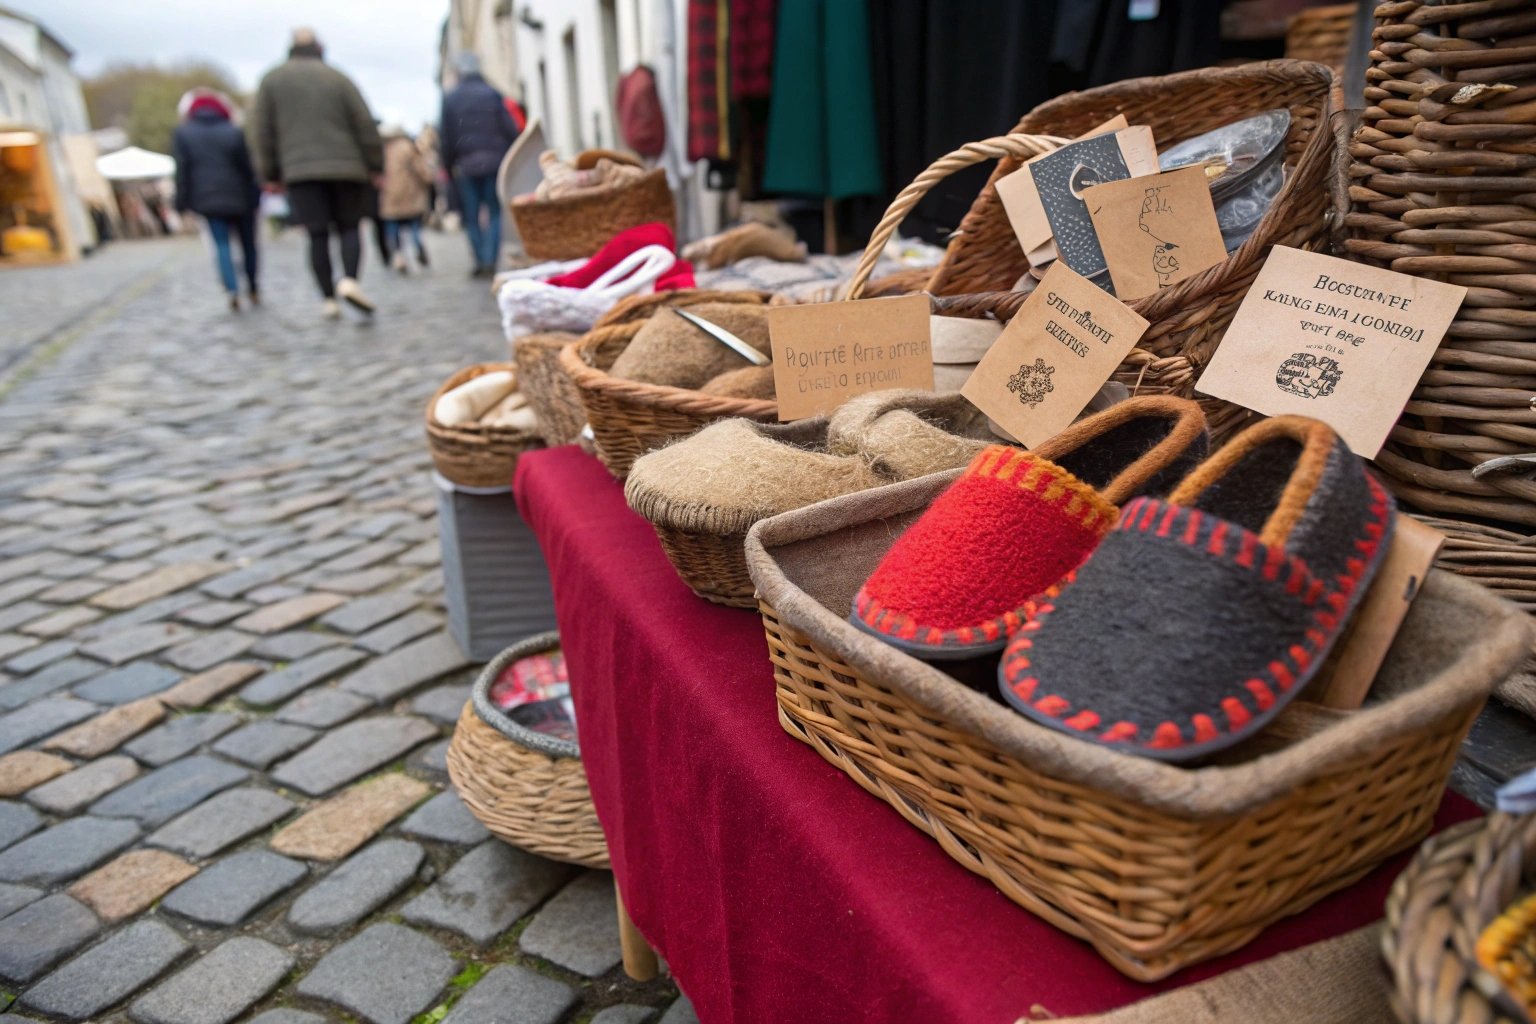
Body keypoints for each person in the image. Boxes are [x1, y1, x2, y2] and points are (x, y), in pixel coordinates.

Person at [251, 27, 383, 318]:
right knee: (350, 227)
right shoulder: (337, 78)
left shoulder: (272, 80)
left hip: (300, 171)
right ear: (319, 47)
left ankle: (328, 299)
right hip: (347, 167)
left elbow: (263, 131)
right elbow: (364, 123)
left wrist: (270, 173)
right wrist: (375, 165)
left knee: (317, 234)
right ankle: (349, 280)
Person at [173, 88, 260, 310]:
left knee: (221, 244)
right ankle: (252, 286)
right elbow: (247, 169)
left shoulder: (184, 133)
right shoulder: (233, 131)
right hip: (240, 196)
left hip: (208, 199)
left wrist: (181, 202)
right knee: (248, 244)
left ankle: (232, 289)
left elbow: (183, 171)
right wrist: (255, 195)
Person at [440, 52, 519, 277]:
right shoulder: (492, 94)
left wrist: (448, 164)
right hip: (494, 162)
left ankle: (480, 259)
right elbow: (509, 128)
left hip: (465, 165)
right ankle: (490, 258)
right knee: (494, 212)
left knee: (471, 215)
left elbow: (446, 135)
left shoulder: (451, 98)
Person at [379, 124, 432, 272]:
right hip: (410, 191)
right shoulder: (407, 147)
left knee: (392, 226)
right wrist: (428, 179)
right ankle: (417, 246)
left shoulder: (384, 149)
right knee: (414, 224)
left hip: (389, 193)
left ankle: (398, 255)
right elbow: (420, 168)